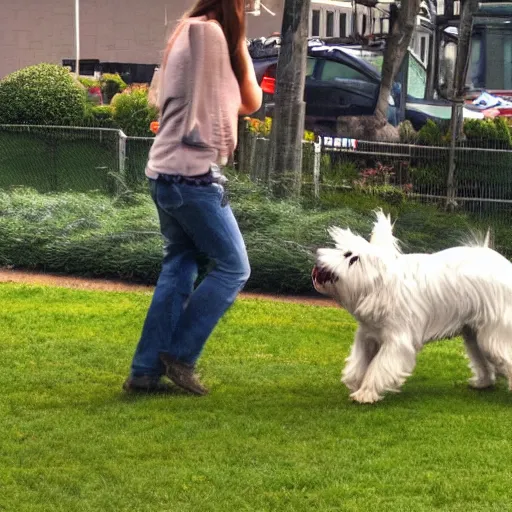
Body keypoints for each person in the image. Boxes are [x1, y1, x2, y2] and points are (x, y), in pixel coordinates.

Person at [123, 0, 262, 395]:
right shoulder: (211, 35)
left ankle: (145, 371)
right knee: (234, 268)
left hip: (164, 174)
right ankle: (179, 356)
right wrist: (240, 45)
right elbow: (248, 102)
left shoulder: (187, 28)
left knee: (180, 266)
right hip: (191, 178)